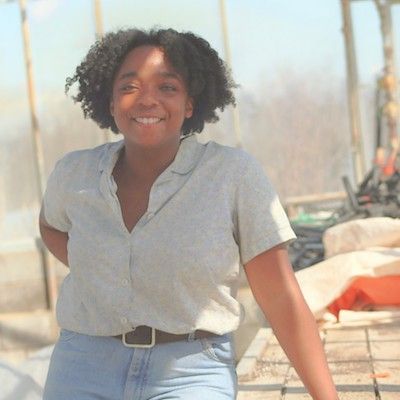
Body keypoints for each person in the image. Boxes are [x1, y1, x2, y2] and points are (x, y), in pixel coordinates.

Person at [40, 28, 338, 400]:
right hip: (83, 364)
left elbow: (280, 296)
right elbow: (50, 226)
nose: (148, 100)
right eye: (129, 87)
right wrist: (109, 270)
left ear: (190, 104)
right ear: (111, 103)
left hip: (191, 369)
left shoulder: (233, 175)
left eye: (167, 87)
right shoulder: (73, 174)